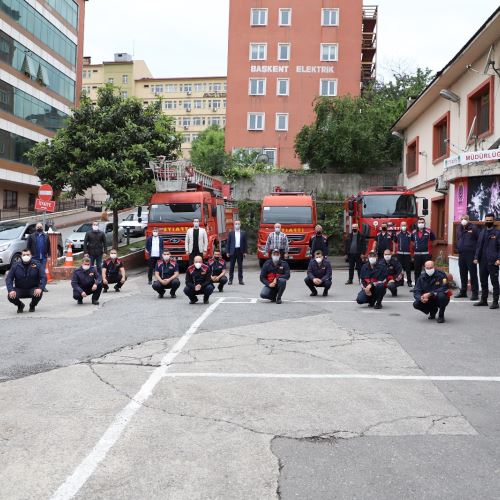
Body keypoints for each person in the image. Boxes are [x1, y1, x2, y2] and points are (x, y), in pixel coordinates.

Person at [6, 248, 45, 313]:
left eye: (28, 254)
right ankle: (20, 305)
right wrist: (10, 290)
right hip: (19, 289)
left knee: (39, 293)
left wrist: (40, 288)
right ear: (21, 256)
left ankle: (32, 305)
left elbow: (43, 277)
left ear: (31, 255)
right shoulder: (15, 266)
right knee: (10, 296)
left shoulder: (37, 264)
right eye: (24, 255)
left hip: (33, 288)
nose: (26, 256)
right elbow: (9, 279)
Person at [473, 213, 500, 309]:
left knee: (494, 282)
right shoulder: (482, 232)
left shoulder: (497, 233)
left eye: (490, 220)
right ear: (485, 220)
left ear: (493, 221)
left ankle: (495, 302)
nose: (488, 222)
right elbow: (478, 246)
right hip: (482, 261)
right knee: (483, 281)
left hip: (493, 261)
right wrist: (476, 257)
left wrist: (498, 259)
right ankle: (484, 300)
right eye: (487, 220)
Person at [455, 215, 479, 300]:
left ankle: (475, 293)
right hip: (461, 254)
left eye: (465, 219)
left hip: (471, 254)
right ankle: (463, 292)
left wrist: (476, 255)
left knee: (473, 274)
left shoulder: (473, 228)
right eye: (462, 219)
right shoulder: (459, 228)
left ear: (468, 220)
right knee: (463, 273)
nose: (463, 220)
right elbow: (458, 239)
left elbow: (478, 241)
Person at [27, 222, 51, 292]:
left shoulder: (46, 236)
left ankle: (43, 287)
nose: (39, 228)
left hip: (43, 258)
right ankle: (36, 286)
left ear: (42, 228)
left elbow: (49, 246)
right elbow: (28, 247)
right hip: (34, 258)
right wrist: (29, 255)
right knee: (35, 272)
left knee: (42, 273)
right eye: (38, 227)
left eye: (40, 227)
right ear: (36, 228)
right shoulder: (31, 236)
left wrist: (49, 256)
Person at [411, 218, 436, 283]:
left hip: (426, 255)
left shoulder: (429, 231)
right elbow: (412, 242)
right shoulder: (413, 232)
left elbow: (434, 241)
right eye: (419, 222)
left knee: (428, 271)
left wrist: (430, 248)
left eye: (422, 222)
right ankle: (417, 286)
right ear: (417, 224)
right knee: (417, 271)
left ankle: (428, 286)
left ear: (424, 224)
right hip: (417, 255)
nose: (420, 224)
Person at [226, 220, 247, 285]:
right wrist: (227, 252)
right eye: (236, 223)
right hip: (233, 251)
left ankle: (240, 280)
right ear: (234, 225)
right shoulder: (231, 233)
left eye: (238, 223)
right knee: (231, 266)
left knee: (240, 267)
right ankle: (230, 280)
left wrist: (245, 252)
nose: (237, 225)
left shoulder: (243, 233)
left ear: (240, 225)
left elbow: (245, 243)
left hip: (240, 251)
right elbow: (228, 243)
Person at [394, 221, 413, 287]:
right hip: (399, 253)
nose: (403, 226)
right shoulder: (397, 234)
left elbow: (413, 242)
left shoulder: (410, 234)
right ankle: (401, 281)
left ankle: (409, 282)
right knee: (400, 268)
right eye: (402, 225)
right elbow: (395, 242)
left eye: (405, 225)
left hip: (407, 254)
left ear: (407, 226)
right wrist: (394, 251)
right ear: (400, 226)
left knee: (408, 268)